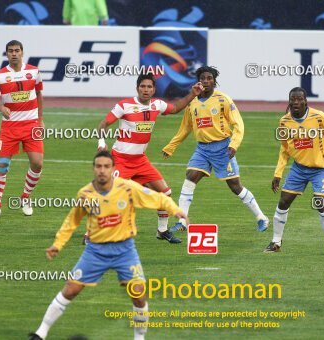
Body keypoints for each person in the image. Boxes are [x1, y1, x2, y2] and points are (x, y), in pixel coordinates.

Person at [28, 151, 189, 340]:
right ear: (93, 169)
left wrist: (177, 211)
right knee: (70, 290)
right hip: (95, 251)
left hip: (125, 250)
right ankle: (41, 333)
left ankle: (139, 338)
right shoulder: (86, 194)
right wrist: (57, 245)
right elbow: (71, 222)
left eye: (106, 166)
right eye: (98, 166)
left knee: (138, 295)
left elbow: (160, 198)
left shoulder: (127, 188)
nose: (102, 170)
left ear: (113, 169)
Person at [97, 74, 203, 243]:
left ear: (154, 89)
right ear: (137, 88)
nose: (145, 90)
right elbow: (103, 124)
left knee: (165, 193)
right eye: (142, 87)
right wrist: (101, 143)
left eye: (149, 87)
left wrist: (193, 94)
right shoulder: (124, 106)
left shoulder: (157, 105)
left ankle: (162, 231)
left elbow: (175, 108)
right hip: (121, 161)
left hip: (140, 160)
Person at [162, 66, 269, 232]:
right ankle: (182, 222)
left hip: (223, 148)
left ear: (214, 81)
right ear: (198, 80)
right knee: (190, 177)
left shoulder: (223, 99)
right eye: (203, 78)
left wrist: (234, 144)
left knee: (235, 186)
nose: (206, 81)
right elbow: (185, 128)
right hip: (202, 149)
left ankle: (261, 217)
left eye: (209, 78)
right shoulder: (193, 102)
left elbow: (238, 124)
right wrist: (171, 146)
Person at [264, 87, 324, 255]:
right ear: (289, 101)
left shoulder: (319, 117)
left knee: (320, 203)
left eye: (299, 99)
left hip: (321, 169)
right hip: (299, 168)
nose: (296, 102)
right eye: (293, 99)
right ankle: (275, 242)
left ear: (305, 101)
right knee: (283, 202)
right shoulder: (284, 122)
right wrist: (278, 173)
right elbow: (284, 149)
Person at [0, 40, 44, 218]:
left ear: (22, 52)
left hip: (31, 125)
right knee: (3, 165)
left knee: (37, 163)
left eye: (17, 50)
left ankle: (25, 197)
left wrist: (40, 119)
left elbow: (39, 94)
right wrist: (1, 108)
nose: (14, 53)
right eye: (10, 51)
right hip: (10, 127)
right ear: (6, 54)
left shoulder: (34, 72)